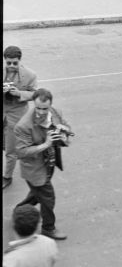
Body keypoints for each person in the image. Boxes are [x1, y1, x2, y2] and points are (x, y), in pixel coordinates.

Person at [14, 89, 71, 240]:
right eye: (38, 108)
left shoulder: (55, 112)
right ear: (34, 103)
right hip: (35, 168)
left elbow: (66, 127)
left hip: (49, 163)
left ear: (50, 105)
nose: (41, 112)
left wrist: (63, 133)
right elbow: (21, 152)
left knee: (37, 192)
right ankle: (48, 228)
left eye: (44, 108)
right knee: (48, 197)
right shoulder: (23, 125)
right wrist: (46, 144)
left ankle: (19, 211)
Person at [3, 46, 38, 189]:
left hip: (15, 117)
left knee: (11, 150)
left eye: (15, 63)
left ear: (20, 60)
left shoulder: (30, 75)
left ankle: (7, 176)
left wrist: (18, 93)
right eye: (8, 63)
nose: (11, 66)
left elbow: (35, 94)